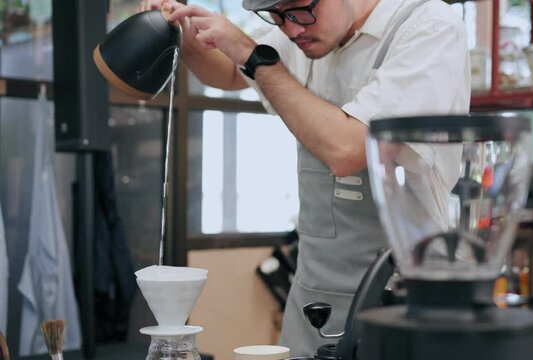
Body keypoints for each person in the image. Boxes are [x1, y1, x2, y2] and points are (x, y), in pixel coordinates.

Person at [140, 0, 470, 356]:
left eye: (299, 10)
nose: (292, 29)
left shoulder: (427, 27)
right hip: (314, 295)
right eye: (277, 16)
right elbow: (227, 73)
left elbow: (345, 151)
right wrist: (183, 30)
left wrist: (255, 58)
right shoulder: (305, 32)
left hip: (405, 297)